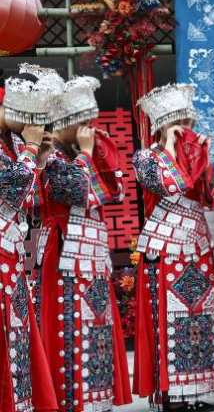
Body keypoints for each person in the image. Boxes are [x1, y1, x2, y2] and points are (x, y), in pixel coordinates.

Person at [132, 84, 214, 410]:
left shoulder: (194, 157)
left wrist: (206, 157)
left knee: (198, 319)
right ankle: (172, 393)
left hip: (197, 248)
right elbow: (173, 184)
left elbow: (213, 196)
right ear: (163, 125)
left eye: (188, 123)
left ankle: (199, 390)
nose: (187, 130)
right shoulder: (146, 158)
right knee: (170, 321)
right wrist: (173, 148)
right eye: (180, 124)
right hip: (165, 250)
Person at [38, 75, 132, 412]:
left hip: (92, 255)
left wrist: (97, 154)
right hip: (65, 254)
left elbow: (111, 193)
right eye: (83, 122)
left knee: (96, 327)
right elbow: (76, 193)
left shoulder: (77, 155)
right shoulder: (51, 158)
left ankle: (96, 399)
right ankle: (67, 401)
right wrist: (88, 154)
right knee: (68, 330)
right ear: (66, 122)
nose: (89, 128)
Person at [0, 68, 59, 412]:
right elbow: (9, 190)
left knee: (16, 340)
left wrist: (36, 156)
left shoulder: (13, 147)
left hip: (11, 254)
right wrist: (31, 148)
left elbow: (29, 199)